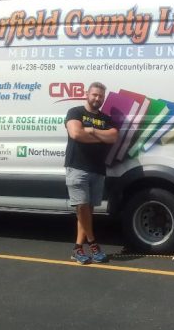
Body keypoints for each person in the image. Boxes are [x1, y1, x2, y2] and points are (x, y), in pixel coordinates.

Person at [64, 82, 118, 264]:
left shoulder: (106, 118)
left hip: (98, 169)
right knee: (82, 207)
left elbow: (113, 137)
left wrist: (93, 130)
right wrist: (99, 138)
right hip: (77, 167)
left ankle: (77, 249)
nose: (97, 98)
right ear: (87, 94)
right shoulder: (75, 112)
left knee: (87, 211)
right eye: (94, 95)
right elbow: (76, 134)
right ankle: (93, 244)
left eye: (101, 96)